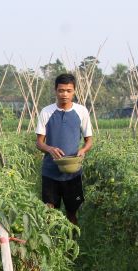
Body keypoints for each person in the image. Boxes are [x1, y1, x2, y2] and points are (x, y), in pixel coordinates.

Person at [35, 73, 94, 225]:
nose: (64, 94)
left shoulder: (81, 112)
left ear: (74, 91)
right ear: (55, 91)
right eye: (61, 90)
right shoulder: (46, 112)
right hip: (50, 171)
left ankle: (71, 245)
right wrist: (50, 149)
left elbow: (89, 141)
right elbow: (39, 143)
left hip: (72, 173)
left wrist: (83, 150)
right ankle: (51, 245)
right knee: (49, 213)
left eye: (68, 90)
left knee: (72, 213)